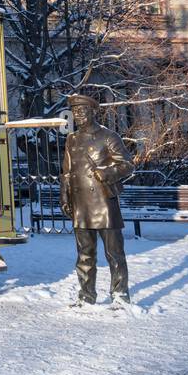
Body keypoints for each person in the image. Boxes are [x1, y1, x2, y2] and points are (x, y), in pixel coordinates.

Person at [59, 94, 133, 307]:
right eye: (75, 112)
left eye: (82, 111)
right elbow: (66, 172)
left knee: (115, 254)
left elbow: (127, 164)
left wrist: (107, 173)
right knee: (84, 255)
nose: (78, 115)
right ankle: (86, 295)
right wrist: (65, 196)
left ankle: (120, 295)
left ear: (92, 112)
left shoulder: (109, 136)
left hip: (104, 203)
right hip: (80, 204)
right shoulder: (72, 139)